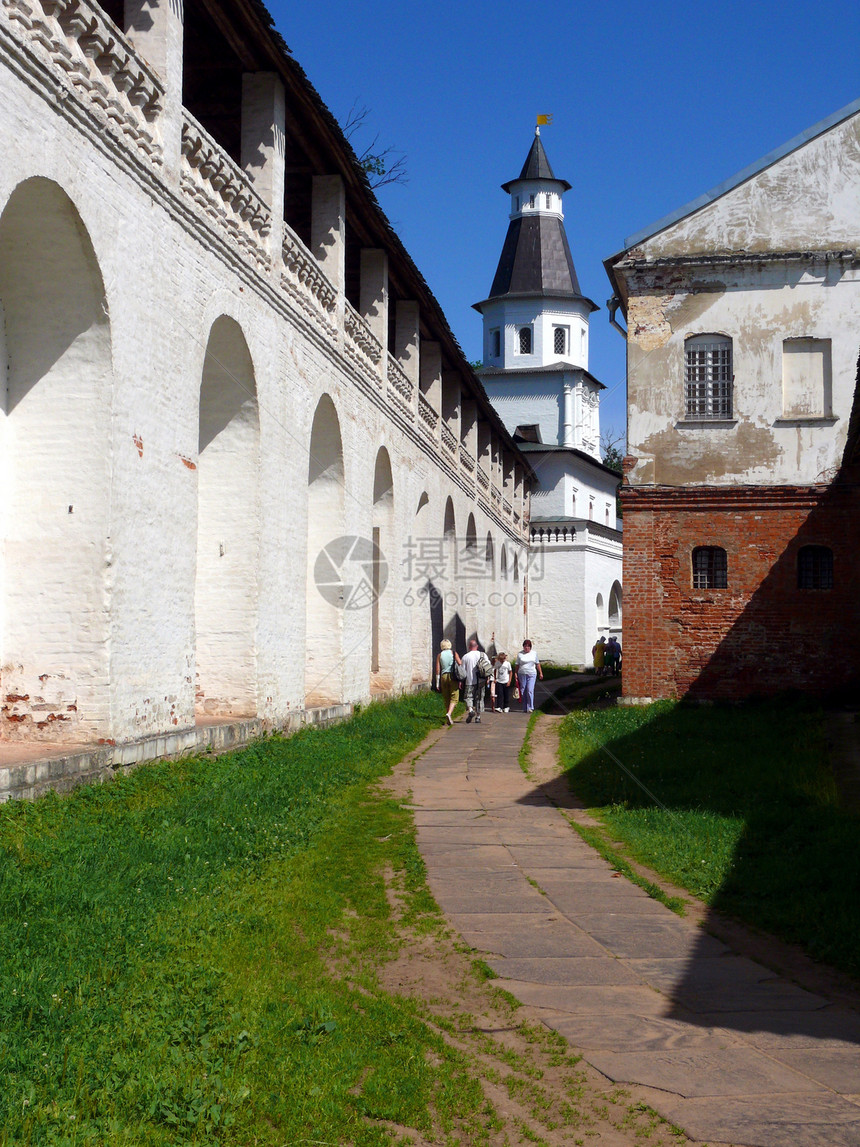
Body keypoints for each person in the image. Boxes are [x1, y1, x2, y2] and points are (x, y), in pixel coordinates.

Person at [435, 639, 462, 726]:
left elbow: (437, 669)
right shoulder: (453, 653)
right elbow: (460, 663)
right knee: (454, 696)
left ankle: (448, 717)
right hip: (452, 676)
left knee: (446, 696)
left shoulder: (440, 655)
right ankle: (449, 714)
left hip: (443, 676)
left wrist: (437, 683)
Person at [460, 638, 484, 723]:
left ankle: (470, 710)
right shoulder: (482, 655)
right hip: (481, 681)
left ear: (469, 647)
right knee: (479, 698)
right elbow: (488, 667)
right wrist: (489, 679)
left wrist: (460, 681)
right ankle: (478, 717)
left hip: (469, 681)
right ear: (477, 646)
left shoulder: (465, 657)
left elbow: (462, 672)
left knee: (468, 697)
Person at [515, 639, 542, 713]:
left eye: (528, 646)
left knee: (530, 690)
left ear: (530, 647)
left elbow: (537, 663)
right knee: (523, 690)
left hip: (532, 674)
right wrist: (515, 673)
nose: (526, 648)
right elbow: (517, 664)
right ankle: (524, 707)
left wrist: (540, 673)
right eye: (525, 646)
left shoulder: (534, 653)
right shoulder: (520, 654)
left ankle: (531, 707)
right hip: (522, 674)